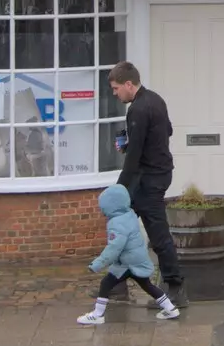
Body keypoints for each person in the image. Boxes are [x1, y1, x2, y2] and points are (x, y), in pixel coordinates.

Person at [109, 61, 187, 307]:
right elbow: (169, 131)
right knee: (122, 225)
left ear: (129, 84)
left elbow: (135, 155)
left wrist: (120, 187)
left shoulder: (138, 109)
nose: (114, 93)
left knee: (158, 234)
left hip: (148, 179)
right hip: (158, 173)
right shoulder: (156, 100)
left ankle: (175, 288)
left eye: (116, 88)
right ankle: (117, 283)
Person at [78, 183, 180, 325]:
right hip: (136, 258)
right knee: (147, 285)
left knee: (106, 283)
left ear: (111, 206)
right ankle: (170, 308)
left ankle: (97, 314)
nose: (101, 209)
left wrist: (97, 264)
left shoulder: (116, 223)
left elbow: (114, 248)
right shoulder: (129, 214)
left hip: (127, 262)